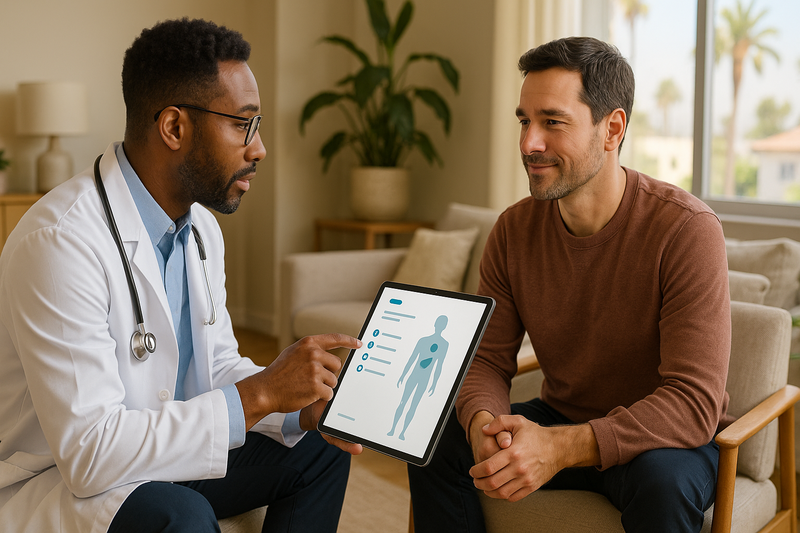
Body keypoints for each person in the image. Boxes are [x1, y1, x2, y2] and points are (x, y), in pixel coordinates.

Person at [0, 18, 363, 533]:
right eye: (243, 124)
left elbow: (214, 368)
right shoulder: (60, 242)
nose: (259, 149)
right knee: (182, 517)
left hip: (164, 455)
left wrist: (294, 409)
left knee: (319, 452)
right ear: (174, 128)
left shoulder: (200, 231)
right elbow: (89, 453)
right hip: (62, 479)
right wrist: (259, 394)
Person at [408, 36, 731, 533]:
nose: (528, 143)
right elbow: (488, 359)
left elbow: (692, 402)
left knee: (663, 484)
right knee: (429, 435)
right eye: (524, 121)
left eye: (552, 123)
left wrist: (559, 447)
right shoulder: (514, 230)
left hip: (658, 440)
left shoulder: (687, 230)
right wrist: (484, 426)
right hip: (560, 414)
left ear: (612, 129)